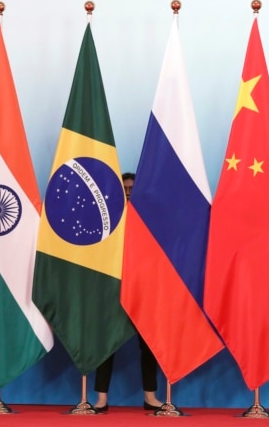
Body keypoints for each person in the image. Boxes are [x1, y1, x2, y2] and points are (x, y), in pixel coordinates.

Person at [92, 172, 163, 413]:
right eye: (125, 188)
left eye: (132, 188)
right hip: (113, 290)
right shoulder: (107, 219)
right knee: (106, 345)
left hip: (144, 291)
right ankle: (101, 399)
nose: (129, 192)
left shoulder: (149, 220)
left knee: (149, 346)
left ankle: (150, 397)